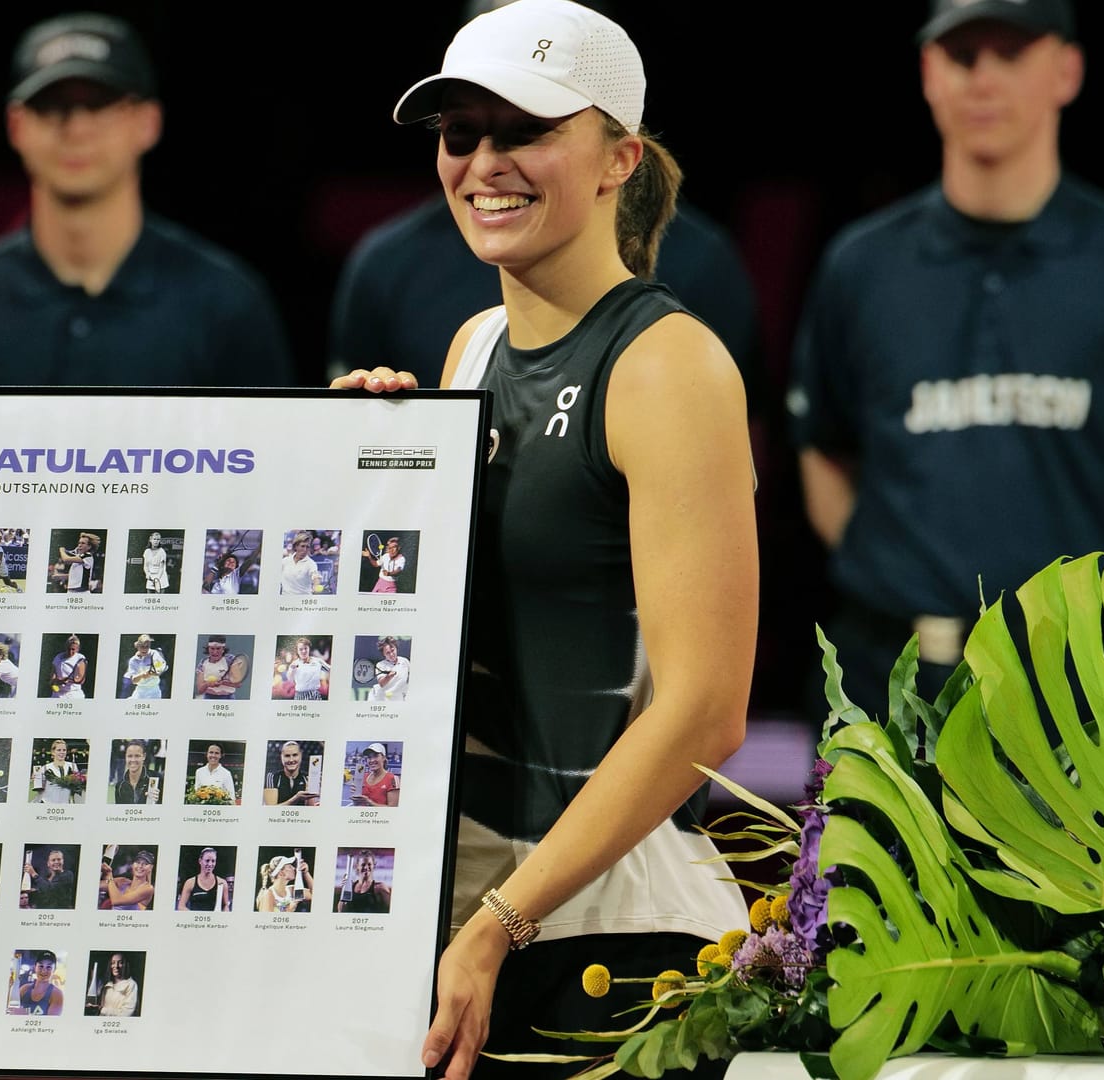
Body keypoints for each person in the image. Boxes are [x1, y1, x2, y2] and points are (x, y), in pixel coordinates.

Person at [335, 3, 755, 1076]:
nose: (485, 162)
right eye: (459, 134)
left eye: (523, 130)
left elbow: (707, 710)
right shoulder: (473, 345)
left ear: (619, 158)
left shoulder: (669, 366)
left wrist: (499, 923)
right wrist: (359, 472)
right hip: (468, 928)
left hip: (612, 950)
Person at [790, 0, 1104, 709]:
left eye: (1011, 53)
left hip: (1086, 693)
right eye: (963, 57)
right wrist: (895, 573)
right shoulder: (862, 265)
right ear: (931, 73)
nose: (983, 81)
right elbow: (822, 447)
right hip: (893, 680)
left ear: (1067, 69)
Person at [0, 13, 293, 388]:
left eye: (101, 104)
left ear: (147, 122)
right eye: (51, 105)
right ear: (16, 126)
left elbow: (271, 451)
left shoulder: (227, 303)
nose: (77, 128)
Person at [336, 850, 393, 914]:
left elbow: (391, 912)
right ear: (357, 866)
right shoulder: (350, 887)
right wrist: (344, 889)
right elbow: (341, 911)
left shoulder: (380, 887)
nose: (366, 867)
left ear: (374, 866)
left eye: (369, 864)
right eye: (363, 864)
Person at [265, 740, 318, 807]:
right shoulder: (272, 777)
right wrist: (296, 798)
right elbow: (270, 810)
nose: (291, 760)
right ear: (281, 757)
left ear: (300, 755)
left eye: (295, 755)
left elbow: (310, 809)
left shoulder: (307, 778)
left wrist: (311, 794)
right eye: (287, 756)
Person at [193, 634, 242, 699]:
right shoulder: (203, 663)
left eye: (218, 648)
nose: (215, 652)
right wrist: (207, 684)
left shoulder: (230, 660)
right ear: (208, 648)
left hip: (228, 698)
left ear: (223, 649)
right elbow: (200, 690)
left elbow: (238, 684)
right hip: (208, 698)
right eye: (212, 648)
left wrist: (223, 683)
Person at [352, 742, 400, 808]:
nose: (372, 760)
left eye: (375, 756)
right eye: (369, 757)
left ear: (383, 758)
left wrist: (369, 802)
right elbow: (357, 805)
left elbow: (393, 810)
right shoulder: (363, 777)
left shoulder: (393, 779)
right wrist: (355, 799)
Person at [35, 738, 82, 804]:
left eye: (64, 750)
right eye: (59, 750)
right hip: (48, 806)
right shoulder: (44, 768)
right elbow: (39, 792)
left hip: (66, 806)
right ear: (53, 752)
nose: (62, 752)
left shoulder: (73, 766)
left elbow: (77, 788)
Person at [120, 633, 166, 698]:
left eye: (147, 646)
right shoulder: (133, 660)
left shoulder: (155, 654)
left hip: (154, 691)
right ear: (137, 646)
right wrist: (142, 675)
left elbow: (159, 670)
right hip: (139, 692)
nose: (145, 649)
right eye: (142, 646)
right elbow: (134, 680)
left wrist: (152, 673)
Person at [112, 739, 157, 804]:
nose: (133, 760)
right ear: (125, 756)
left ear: (144, 756)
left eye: (137, 756)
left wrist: (159, 801)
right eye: (130, 756)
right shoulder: (119, 786)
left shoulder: (157, 779)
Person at [368, 636, 411, 702]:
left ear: (396, 648)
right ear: (383, 654)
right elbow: (382, 684)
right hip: (379, 698)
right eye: (388, 653)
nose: (391, 654)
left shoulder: (405, 661)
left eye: (392, 650)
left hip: (398, 698)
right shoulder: (380, 665)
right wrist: (389, 676)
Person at [49, 633, 88, 698]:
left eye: (73, 649)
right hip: (57, 695)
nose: (70, 651)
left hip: (75, 694)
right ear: (65, 647)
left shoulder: (80, 658)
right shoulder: (58, 657)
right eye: (68, 648)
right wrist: (59, 681)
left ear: (78, 649)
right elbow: (52, 679)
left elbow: (81, 680)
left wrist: (71, 680)